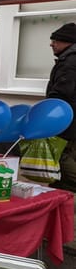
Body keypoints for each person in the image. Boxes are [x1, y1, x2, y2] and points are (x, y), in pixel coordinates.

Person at [46, 22, 76, 191]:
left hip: (67, 118)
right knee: (69, 154)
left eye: (56, 40)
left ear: (68, 42)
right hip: (72, 117)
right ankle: (58, 190)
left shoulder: (69, 62)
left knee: (61, 154)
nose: (51, 44)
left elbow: (61, 94)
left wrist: (46, 112)